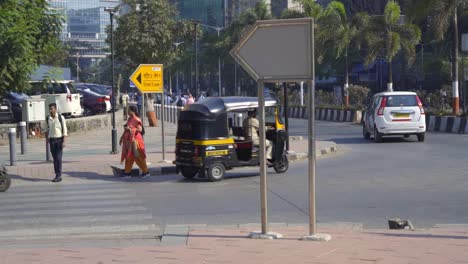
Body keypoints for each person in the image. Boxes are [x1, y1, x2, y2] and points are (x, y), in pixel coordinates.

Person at [119, 105, 150, 179]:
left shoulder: (137, 119)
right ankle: (127, 173)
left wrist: (131, 129)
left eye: (128, 110)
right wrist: (121, 137)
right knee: (129, 157)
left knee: (139, 157)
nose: (127, 112)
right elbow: (128, 128)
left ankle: (146, 172)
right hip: (129, 141)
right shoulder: (130, 119)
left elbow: (140, 130)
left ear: (133, 111)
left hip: (136, 141)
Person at [46, 103, 68, 183]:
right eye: (49, 109)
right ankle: (57, 174)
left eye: (52, 109)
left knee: (59, 158)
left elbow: (65, 130)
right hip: (52, 141)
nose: (50, 110)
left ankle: (59, 175)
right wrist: (47, 139)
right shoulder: (48, 118)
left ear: (55, 109)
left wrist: (64, 141)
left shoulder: (60, 117)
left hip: (59, 140)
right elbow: (47, 129)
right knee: (55, 159)